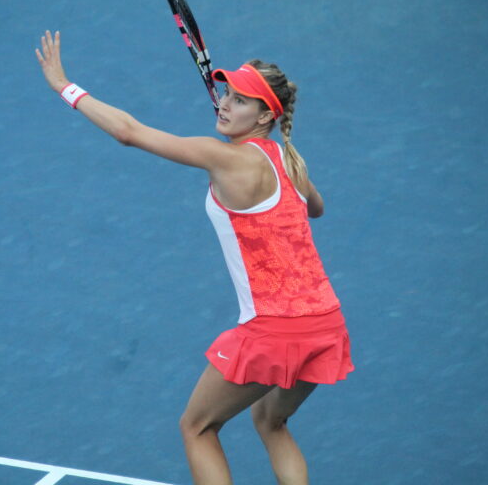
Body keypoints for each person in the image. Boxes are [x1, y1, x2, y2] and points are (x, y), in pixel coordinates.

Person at [36, 30, 353, 485]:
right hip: (325, 324)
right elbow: (316, 208)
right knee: (271, 422)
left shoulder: (222, 158)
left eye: (240, 100)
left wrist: (64, 85)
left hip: (274, 328)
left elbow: (128, 132)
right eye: (225, 94)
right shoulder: (290, 161)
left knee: (197, 427)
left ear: (265, 114)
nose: (224, 104)